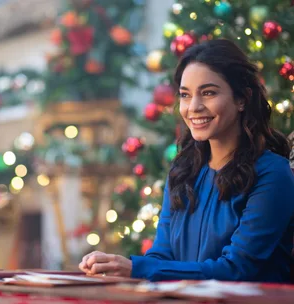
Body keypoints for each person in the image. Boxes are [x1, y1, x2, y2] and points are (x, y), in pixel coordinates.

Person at [79, 39, 294, 283]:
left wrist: (136, 268)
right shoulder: (183, 171)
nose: (194, 107)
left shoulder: (273, 174)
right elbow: (161, 256)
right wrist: (121, 267)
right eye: (185, 95)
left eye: (208, 93)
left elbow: (236, 269)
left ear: (242, 99)